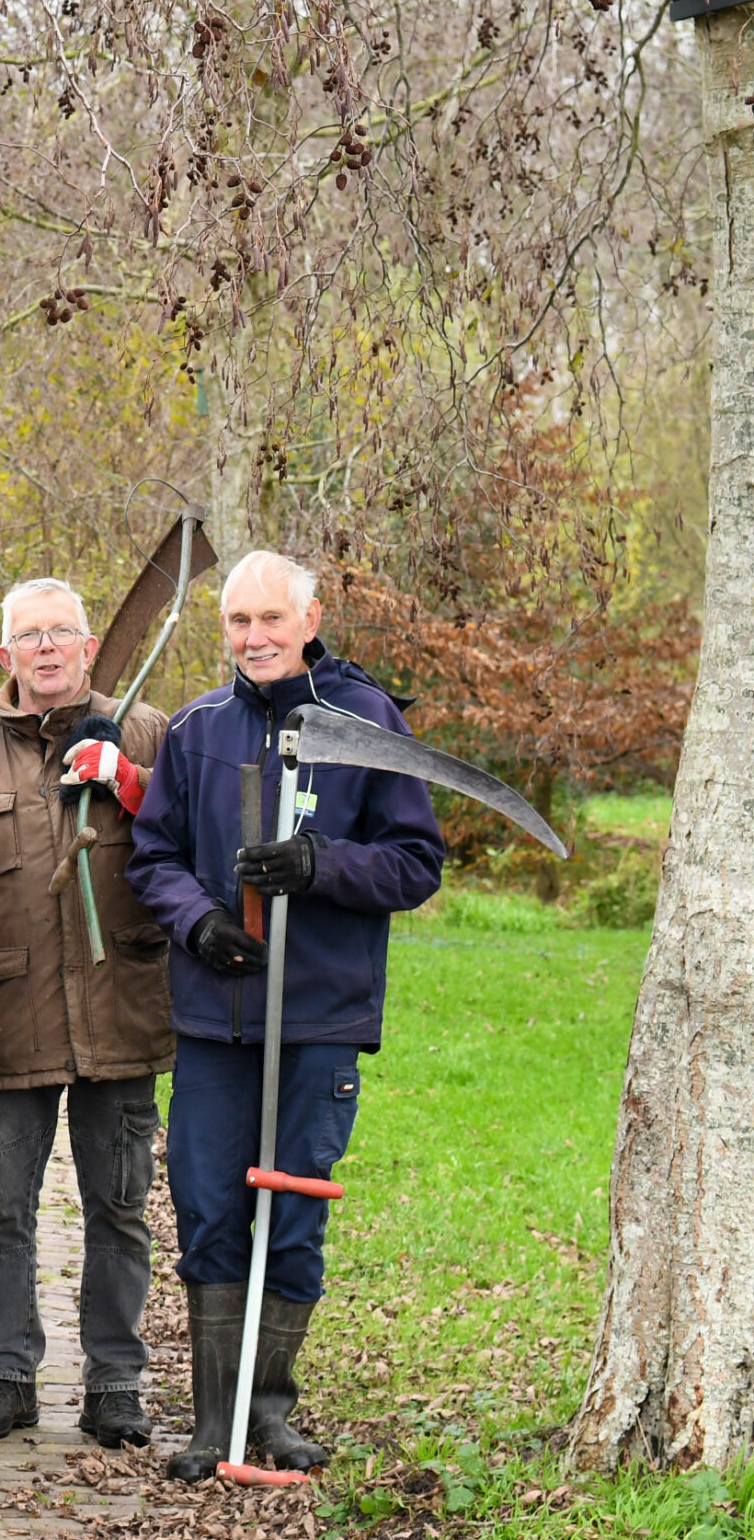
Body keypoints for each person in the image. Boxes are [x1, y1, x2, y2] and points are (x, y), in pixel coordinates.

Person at [126, 551, 444, 1481]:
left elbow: (415, 862)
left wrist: (322, 866)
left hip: (318, 1017)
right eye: (238, 623)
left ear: (309, 620)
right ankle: (211, 1419)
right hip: (217, 1021)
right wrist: (202, 923)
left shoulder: (366, 723)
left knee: (292, 1212)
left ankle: (270, 1412)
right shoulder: (196, 729)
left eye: (272, 620)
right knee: (210, 1208)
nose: (255, 638)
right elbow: (155, 859)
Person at [0, 578, 173, 1453]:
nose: (47, 649)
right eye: (29, 637)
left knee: (117, 1203)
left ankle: (113, 1382)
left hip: (123, 1009)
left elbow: (199, 841)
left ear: (86, 643)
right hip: (9, 1019)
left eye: (62, 633)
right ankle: (6, 1376)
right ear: (5, 656)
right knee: (1, 1205)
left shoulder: (147, 732)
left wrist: (133, 782)